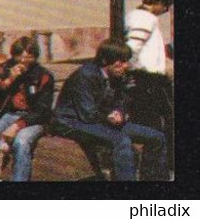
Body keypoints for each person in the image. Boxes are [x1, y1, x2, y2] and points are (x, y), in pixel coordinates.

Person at [53, 39, 167, 181]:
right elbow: (87, 114)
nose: (126, 66)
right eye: (122, 61)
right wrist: (109, 116)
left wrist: (121, 113)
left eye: (127, 61)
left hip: (98, 119)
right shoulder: (85, 75)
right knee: (121, 140)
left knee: (157, 137)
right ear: (106, 60)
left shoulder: (117, 75)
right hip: (71, 122)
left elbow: (122, 101)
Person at [0, 36, 55, 181]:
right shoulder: (3, 69)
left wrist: (18, 126)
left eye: (29, 58)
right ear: (14, 56)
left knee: (21, 142)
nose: (23, 62)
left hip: (33, 120)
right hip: (8, 116)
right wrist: (8, 80)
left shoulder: (44, 75)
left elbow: (42, 111)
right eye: (19, 57)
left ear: (34, 57)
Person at [125, 0, 174, 152]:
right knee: (157, 123)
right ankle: (157, 167)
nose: (166, 10)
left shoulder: (139, 16)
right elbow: (132, 48)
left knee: (155, 122)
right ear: (158, 2)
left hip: (147, 78)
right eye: (166, 5)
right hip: (147, 80)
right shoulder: (144, 19)